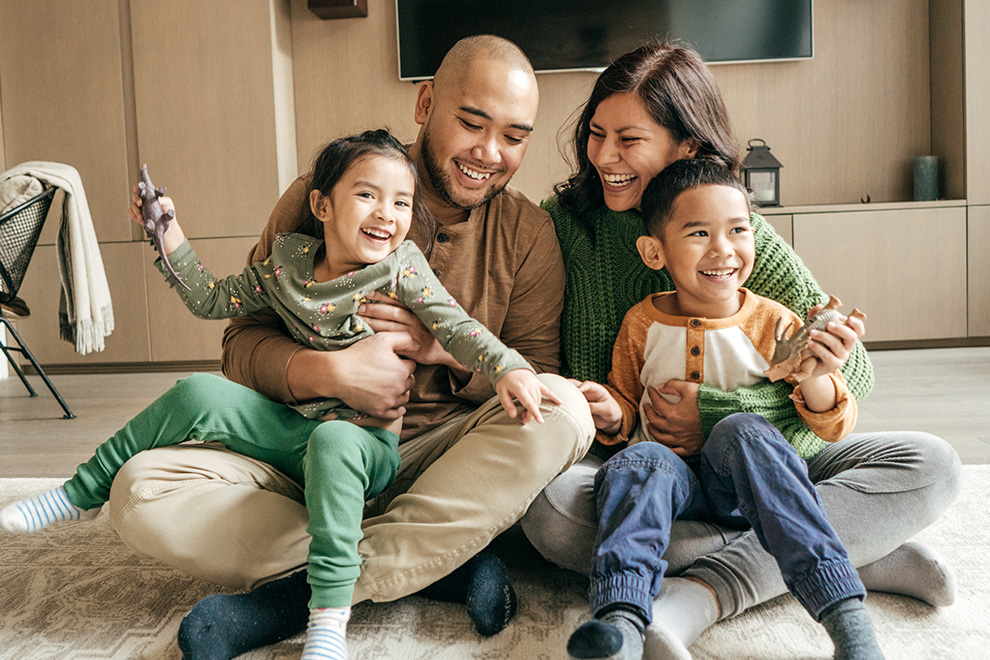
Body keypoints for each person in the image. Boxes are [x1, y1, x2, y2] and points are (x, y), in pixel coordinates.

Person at [102, 35, 596, 659]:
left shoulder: (528, 233)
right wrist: (329, 372)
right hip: (304, 451)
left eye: (514, 137)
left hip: (437, 465)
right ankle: (434, 564)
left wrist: (439, 349)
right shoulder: (331, 190)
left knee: (561, 409)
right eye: (472, 123)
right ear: (424, 103)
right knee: (140, 490)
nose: (489, 153)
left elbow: (533, 373)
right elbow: (240, 340)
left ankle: (296, 595)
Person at [0, 129, 562, 660]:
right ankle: (78, 493)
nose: (386, 216)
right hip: (295, 436)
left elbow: (457, 326)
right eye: (367, 195)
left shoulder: (401, 269)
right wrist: (167, 233)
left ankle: (326, 614)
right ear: (322, 206)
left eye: (401, 203)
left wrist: (509, 367)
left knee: (339, 442)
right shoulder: (287, 263)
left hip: (364, 448)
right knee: (197, 391)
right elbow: (212, 301)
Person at [520, 39, 961, 658]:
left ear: (688, 147)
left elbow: (850, 377)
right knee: (549, 515)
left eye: (629, 139)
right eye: (596, 134)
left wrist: (716, 412)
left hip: (764, 463)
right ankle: (855, 554)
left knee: (932, 464)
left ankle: (698, 595)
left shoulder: (738, 236)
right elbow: (598, 399)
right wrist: (610, 411)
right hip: (645, 469)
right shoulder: (564, 225)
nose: (604, 156)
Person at [564, 158, 883, 660]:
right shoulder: (642, 323)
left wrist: (819, 376)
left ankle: (847, 622)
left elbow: (833, 424)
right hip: (669, 488)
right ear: (654, 252)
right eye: (699, 234)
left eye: (738, 230)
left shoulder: (773, 323)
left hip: (747, 485)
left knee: (743, 430)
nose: (723, 250)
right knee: (637, 462)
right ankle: (620, 626)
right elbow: (626, 403)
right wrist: (610, 412)